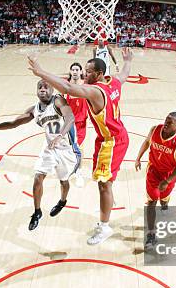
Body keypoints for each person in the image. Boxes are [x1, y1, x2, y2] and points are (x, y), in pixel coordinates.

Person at [28, 48, 133, 245]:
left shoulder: (94, 91)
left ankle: (104, 227)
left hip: (110, 142)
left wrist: (40, 72)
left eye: (89, 71)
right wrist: (128, 60)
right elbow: (124, 74)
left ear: (100, 74)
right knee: (105, 182)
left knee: (103, 185)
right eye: (84, 70)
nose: (85, 74)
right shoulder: (113, 83)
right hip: (116, 136)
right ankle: (108, 200)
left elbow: (68, 89)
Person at [0, 80, 80, 230]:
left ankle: (62, 201)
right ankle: (37, 212)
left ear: (52, 90)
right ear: (36, 91)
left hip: (66, 149)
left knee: (64, 181)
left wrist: (60, 136)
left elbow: (70, 118)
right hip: (49, 148)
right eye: (39, 87)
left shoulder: (59, 101)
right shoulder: (34, 110)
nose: (42, 89)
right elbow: (13, 123)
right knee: (38, 178)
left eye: (46, 86)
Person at [135, 112, 176, 247]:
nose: (166, 124)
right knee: (152, 202)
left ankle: (165, 204)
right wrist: (138, 157)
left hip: (168, 175)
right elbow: (147, 142)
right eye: (166, 120)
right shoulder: (155, 130)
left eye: (170, 123)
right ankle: (151, 235)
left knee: (163, 199)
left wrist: (168, 180)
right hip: (153, 171)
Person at [65, 62, 89, 187]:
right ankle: (70, 168)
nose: (74, 71)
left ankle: (79, 172)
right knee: (68, 149)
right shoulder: (66, 87)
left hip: (81, 123)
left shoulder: (86, 86)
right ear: (70, 71)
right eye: (72, 69)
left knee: (79, 149)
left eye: (77, 69)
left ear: (81, 72)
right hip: (68, 123)